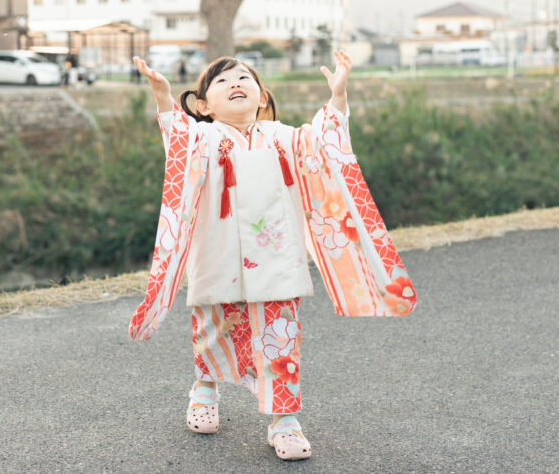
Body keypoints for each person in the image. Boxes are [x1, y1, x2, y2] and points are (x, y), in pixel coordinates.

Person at [129, 51, 417, 461]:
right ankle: (204, 387)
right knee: (214, 326)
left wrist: (337, 98)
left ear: (262, 96)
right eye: (223, 81)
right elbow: (178, 140)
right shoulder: (204, 137)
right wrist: (162, 98)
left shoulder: (285, 137)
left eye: (244, 77)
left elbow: (325, 144)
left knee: (279, 337)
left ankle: (284, 421)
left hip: (277, 256)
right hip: (217, 253)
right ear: (205, 106)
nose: (236, 84)